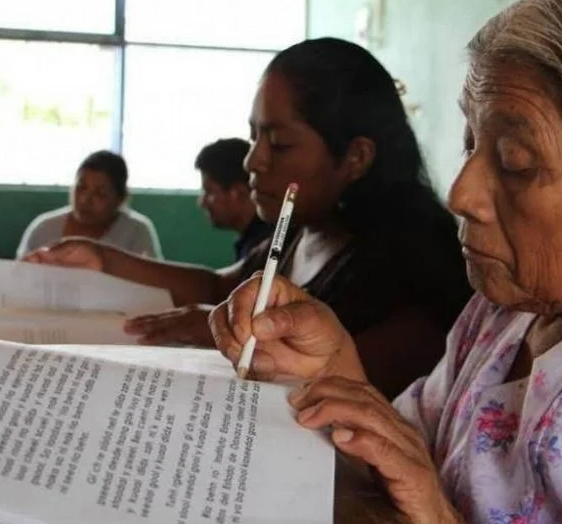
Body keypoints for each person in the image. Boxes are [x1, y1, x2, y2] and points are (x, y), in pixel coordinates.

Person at [208, 1, 562, 522]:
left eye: (514, 162)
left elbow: (426, 499)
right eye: (469, 145)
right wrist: (334, 371)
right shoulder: (499, 315)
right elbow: (410, 458)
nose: (460, 194)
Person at [24, 38, 471, 400]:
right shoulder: (307, 227)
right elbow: (222, 287)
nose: (253, 161)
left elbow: (343, 387)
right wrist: (105, 260)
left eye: (278, 144)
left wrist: (227, 338)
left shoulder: (413, 265)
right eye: (254, 136)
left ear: (355, 156)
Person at [16, 150, 162, 259]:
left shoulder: (136, 232)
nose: (85, 199)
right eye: (81, 187)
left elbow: (155, 285)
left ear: (120, 199)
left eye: (100, 193)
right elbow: (19, 280)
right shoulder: (44, 228)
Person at [195, 138, 273, 261]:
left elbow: (219, 281)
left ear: (238, 193)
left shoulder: (268, 246)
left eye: (209, 192)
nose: (201, 203)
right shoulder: (251, 240)